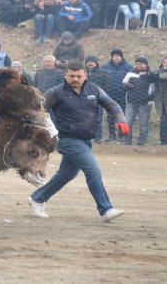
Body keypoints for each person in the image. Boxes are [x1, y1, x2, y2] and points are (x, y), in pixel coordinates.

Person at [27, 61, 128, 222]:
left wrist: (120, 119)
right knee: (93, 171)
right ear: (65, 75)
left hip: (86, 140)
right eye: (71, 76)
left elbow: (112, 105)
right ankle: (106, 209)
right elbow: (36, 109)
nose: (75, 79)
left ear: (85, 76)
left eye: (79, 76)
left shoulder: (94, 89)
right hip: (67, 140)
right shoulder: (56, 92)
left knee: (67, 174)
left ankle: (38, 198)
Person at [102, 49, 133, 142]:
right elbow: (101, 80)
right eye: (114, 56)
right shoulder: (105, 67)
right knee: (110, 116)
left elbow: (132, 80)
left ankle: (122, 135)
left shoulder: (128, 67)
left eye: (117, 56)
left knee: (122, 116)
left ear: (121, 57)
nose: (115, 58)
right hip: (109, 96)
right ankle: (112, 135)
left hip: (123, 95)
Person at [122, 56, 154, 146]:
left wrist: (149, 97)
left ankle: (141, 142)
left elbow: (156, 89)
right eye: (137, 64)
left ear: (146, 65)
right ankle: (127, 141)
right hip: (131, 102)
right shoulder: (130, 74)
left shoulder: (151, 75)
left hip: (145, 103)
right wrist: (127, 86)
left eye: (141, 64)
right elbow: (123, 84)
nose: (138, 65)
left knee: (143, 123)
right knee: (128, 122)